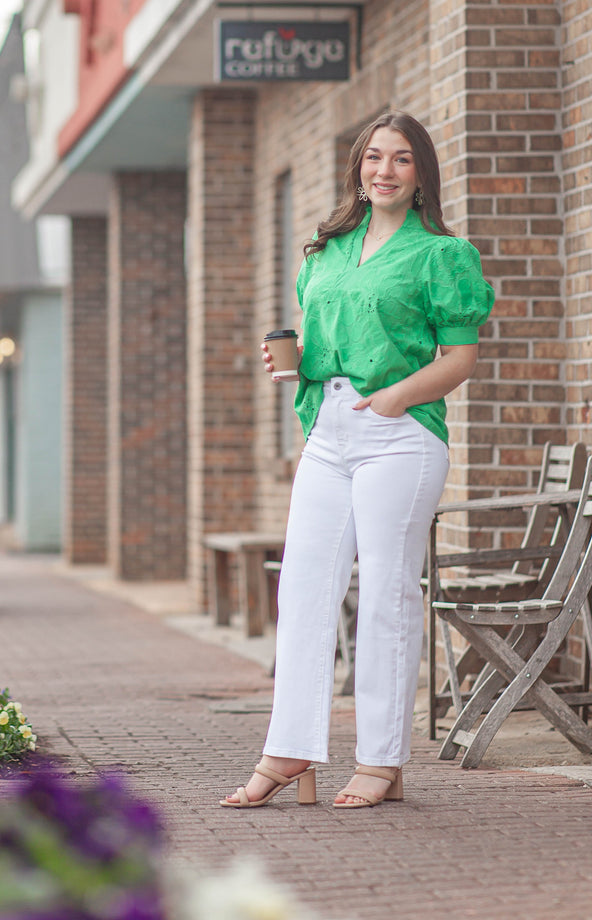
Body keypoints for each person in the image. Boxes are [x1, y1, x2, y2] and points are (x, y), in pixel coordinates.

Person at [220, 111, 494, 809]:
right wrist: (290, 365)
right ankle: (291, 751)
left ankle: (382, 760)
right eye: (375, 157)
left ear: (421, 174)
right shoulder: (326, 250)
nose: (385, 171)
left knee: (386, 597)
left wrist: (397, 399)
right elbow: (319, 341)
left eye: (402, 160)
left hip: (400, 435)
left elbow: (460, 358)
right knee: (305, 588)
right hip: (327, 430)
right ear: (358, 168)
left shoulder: (441, 254)